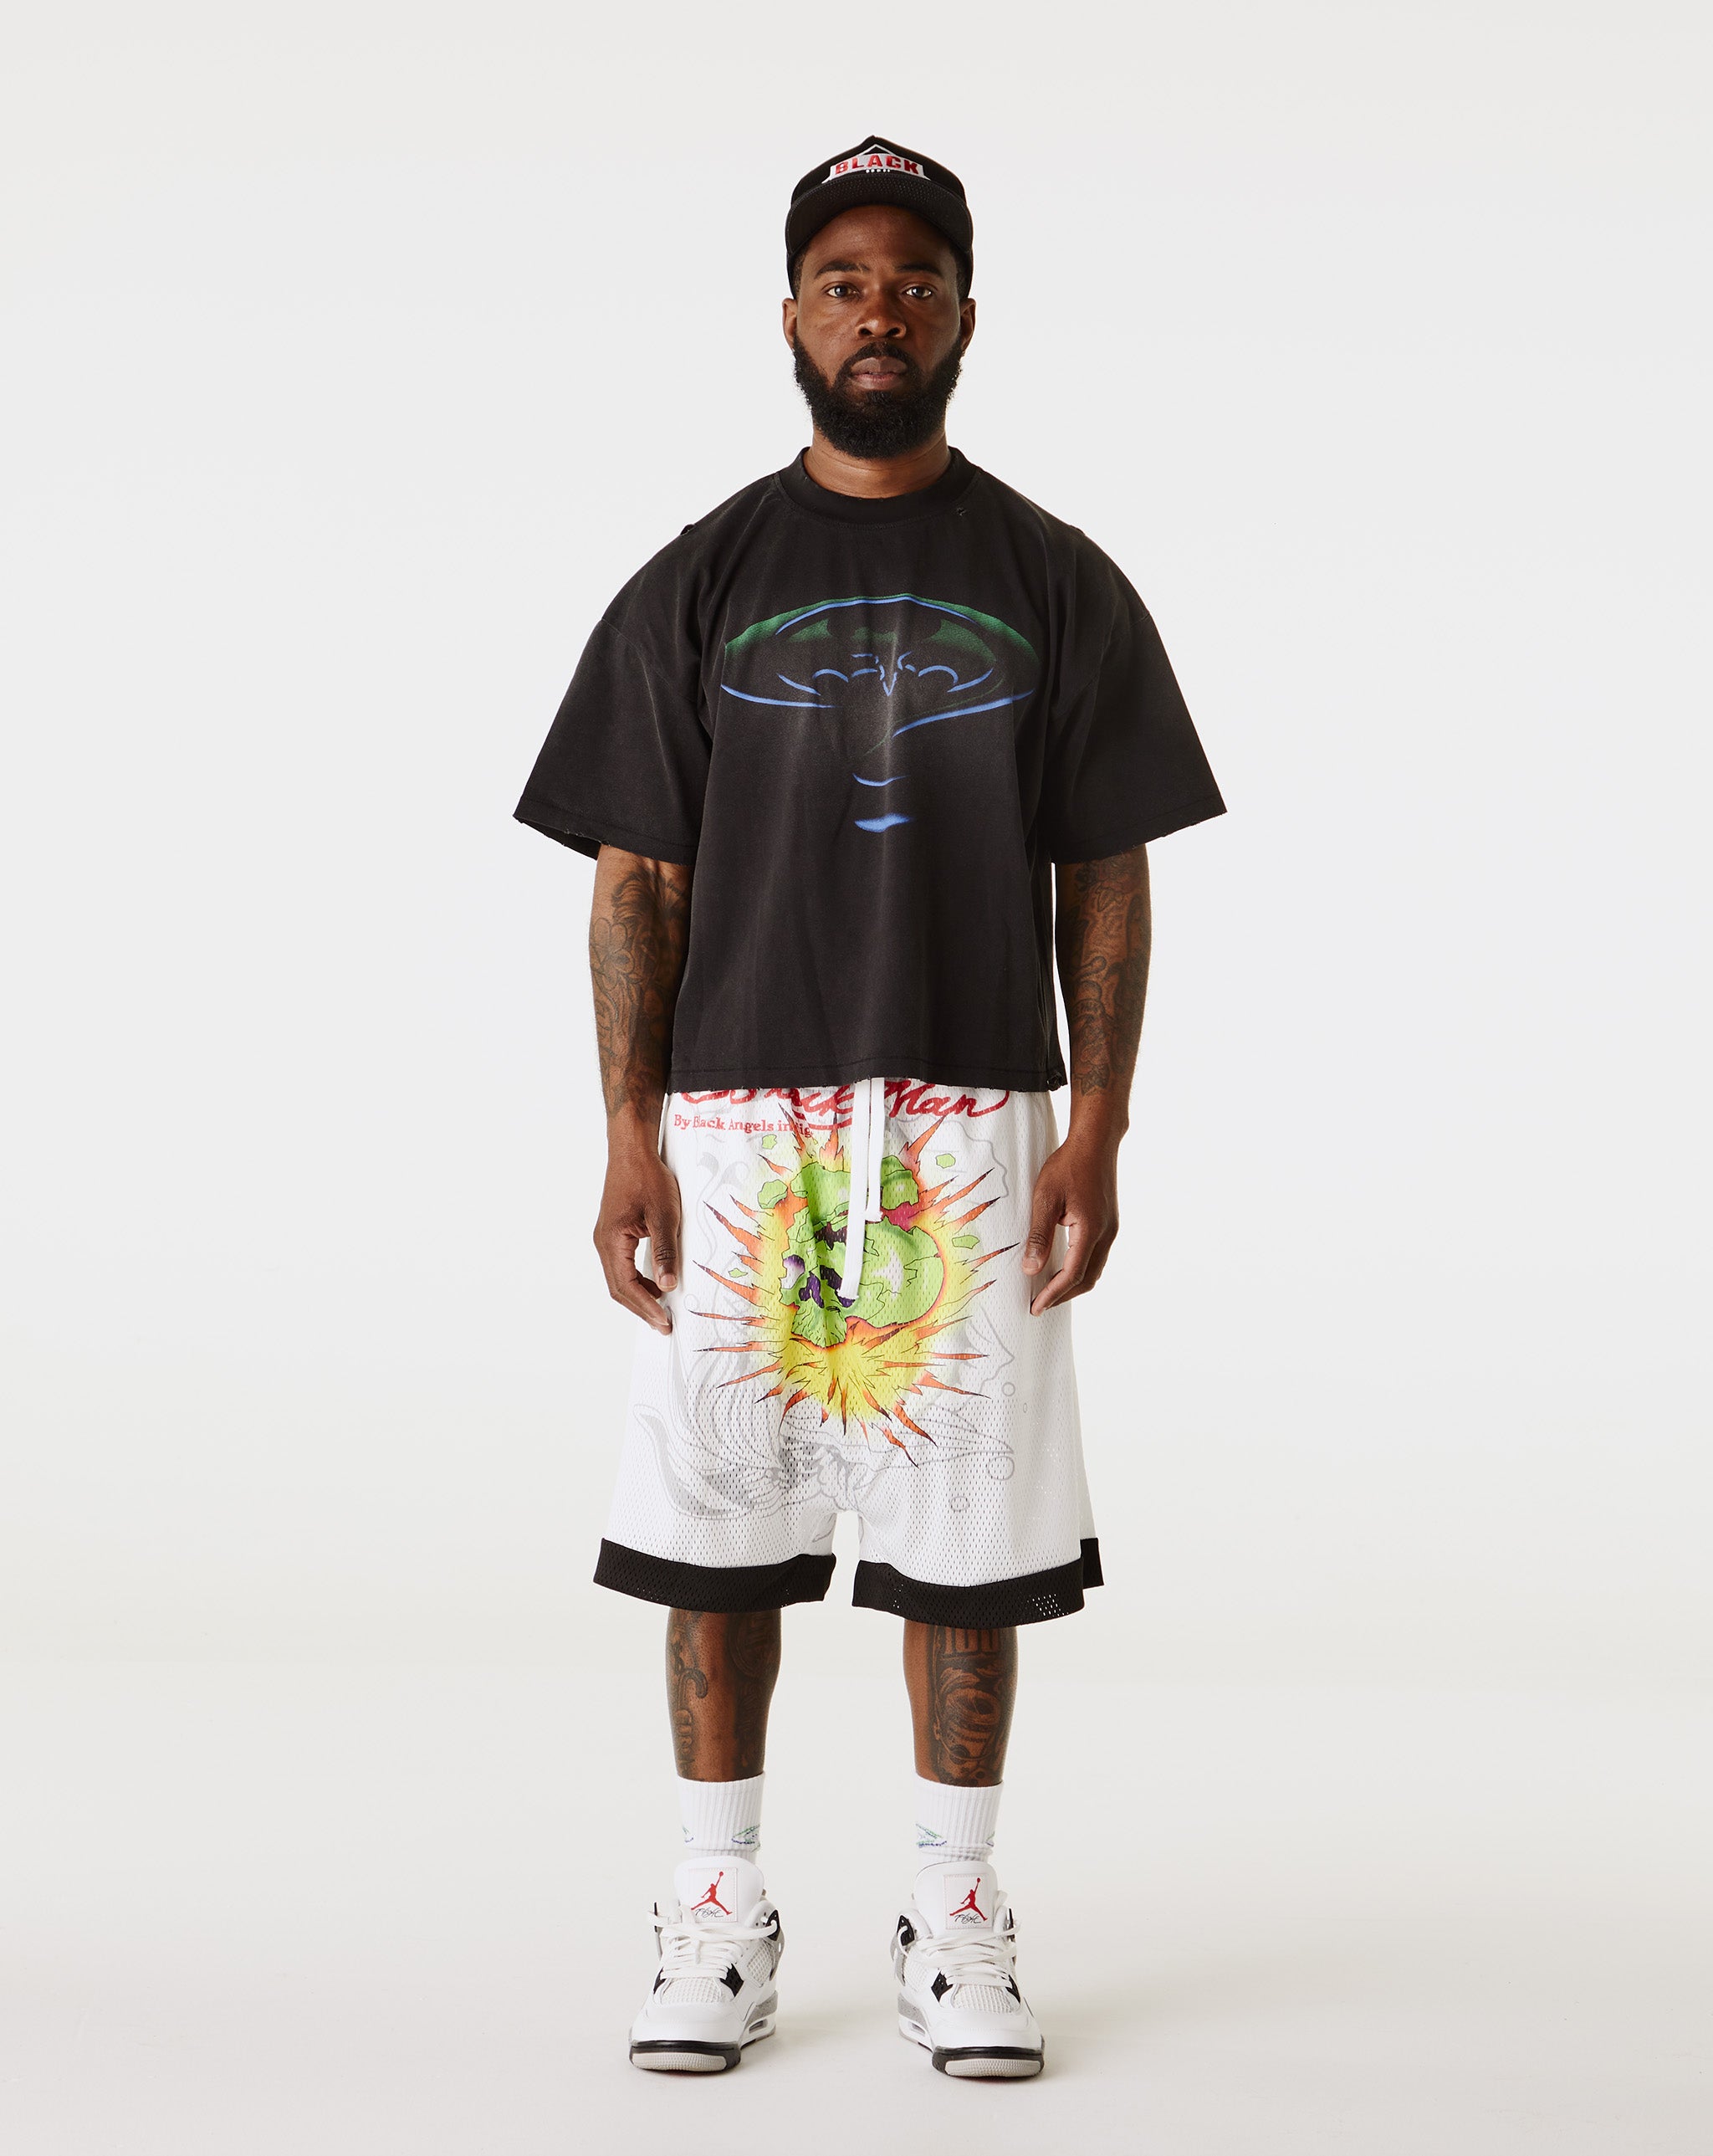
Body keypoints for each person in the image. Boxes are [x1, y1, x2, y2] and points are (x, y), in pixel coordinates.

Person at [514, 136, 1225, 2079]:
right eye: (842, 280)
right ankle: (716, 1902)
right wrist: (629, 1131)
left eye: (913, 278)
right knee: (709, 1525)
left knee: (971, 1529)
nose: (878, 309)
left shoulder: (1056, 578)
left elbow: (1103, 865)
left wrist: (1099, 1122)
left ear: (965, 315)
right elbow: (636, 876)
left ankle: (954, 1905)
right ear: (790, 318)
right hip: (737, 1119)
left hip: (971, 1108)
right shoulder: (700, 576)